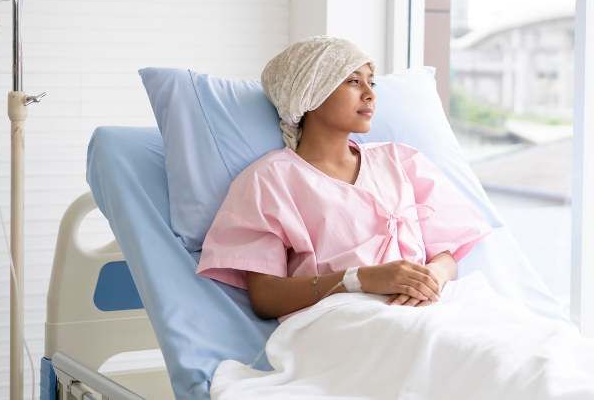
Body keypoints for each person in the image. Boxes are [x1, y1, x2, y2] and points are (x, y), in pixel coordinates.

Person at [196, 36, 491, 320]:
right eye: (353, 81)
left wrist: (432, 277)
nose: (370, 94)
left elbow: (447, 253)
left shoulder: (400, 160)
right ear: (310, 93)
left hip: (429, 306)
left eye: (371, 82)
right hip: (343, 319)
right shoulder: (270, 180)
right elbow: (266, 297)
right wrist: (360, 279)